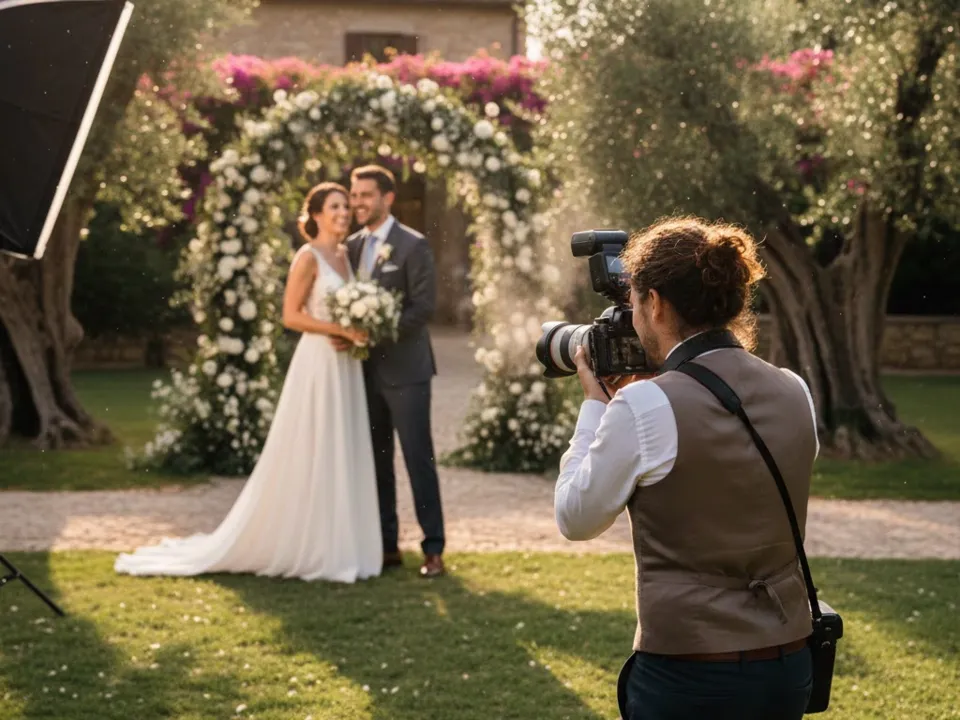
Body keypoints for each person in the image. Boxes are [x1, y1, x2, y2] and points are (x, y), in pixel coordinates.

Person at [555, 217, 819, 719]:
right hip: (787, 667)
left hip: (689, 674)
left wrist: (595, 404)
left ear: (654, 303)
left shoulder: (643, 406)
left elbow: (575, 517)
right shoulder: (794, 391)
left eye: (633, 302)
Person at [115, 182, 383, 583]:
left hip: (346, 365)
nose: (344, 212)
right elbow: (290, 316)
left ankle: (344, 542)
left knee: (342, 444)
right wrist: (338, 328)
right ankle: (311, 545)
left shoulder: (348, 256)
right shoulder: (307, 257)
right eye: (334, 206)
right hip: (319, 361)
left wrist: (359, 331)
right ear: (315, 214)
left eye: (346, 205)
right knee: (316, 444)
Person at [341, 164, 446, 579]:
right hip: (363, 373)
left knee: (418, 459)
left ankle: (433, 549)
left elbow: (423, 308)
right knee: (376, 462)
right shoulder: (349, 247)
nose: (357, 202)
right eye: (354, 195)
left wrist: (376, 330)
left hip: (408, 371)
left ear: (387, 198)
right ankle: (386, 547)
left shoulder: (413, 245)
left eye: (365, 195)